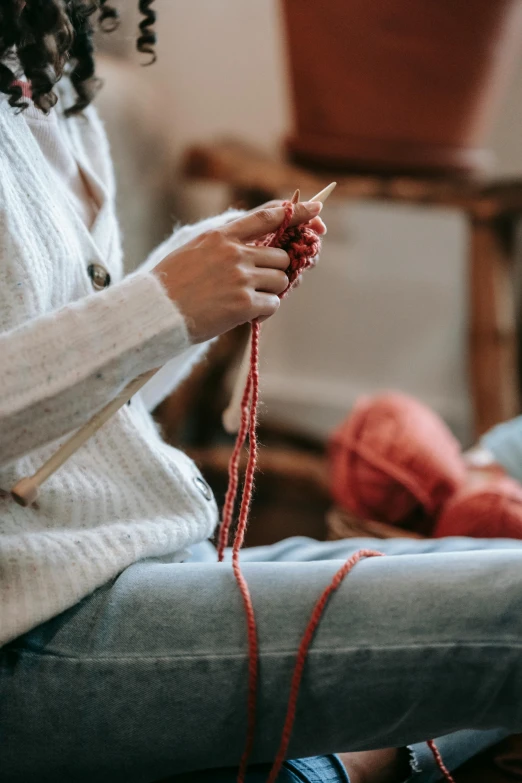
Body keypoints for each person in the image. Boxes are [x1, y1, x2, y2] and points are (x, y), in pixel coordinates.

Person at [0, 3, 521, 782]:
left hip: (159, 569)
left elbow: (83, 419)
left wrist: (196, 290)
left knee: (501, 562)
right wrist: (164, 303)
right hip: (39, 633)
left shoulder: (51, 90)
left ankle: (320, 766)